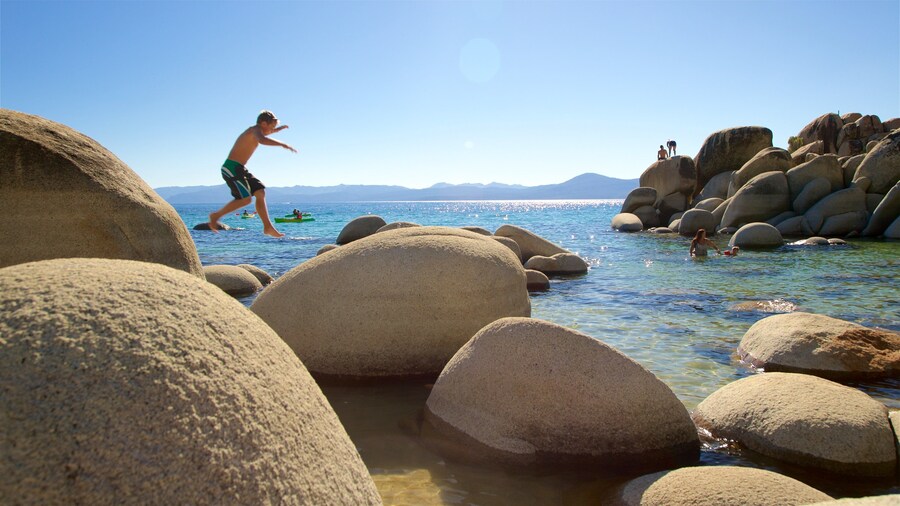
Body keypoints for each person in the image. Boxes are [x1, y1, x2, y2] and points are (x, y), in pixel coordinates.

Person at [208, 110, 297, 237]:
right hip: (231, 168)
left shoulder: (259, 129)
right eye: (271, 127)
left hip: (241, 168)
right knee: (245, 199)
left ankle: (268, 227)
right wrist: (282, 144)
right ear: (263, 123)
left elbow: (266, 133)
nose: (272, 130)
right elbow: (262, 139)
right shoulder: (254, 130)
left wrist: (278, 130)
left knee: (260, 192)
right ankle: (215, 216)